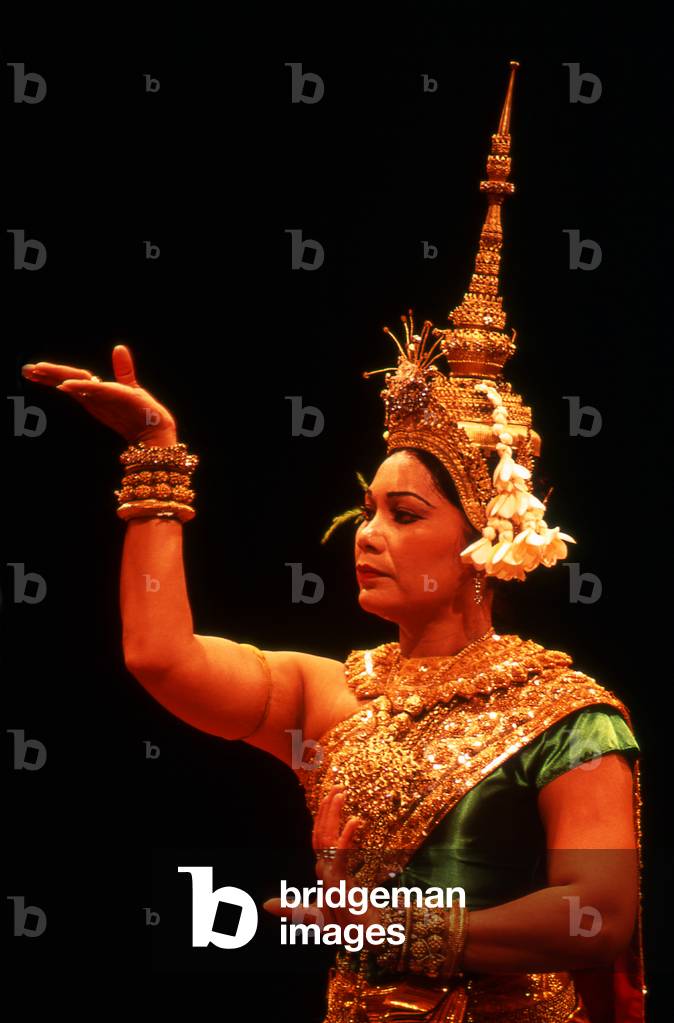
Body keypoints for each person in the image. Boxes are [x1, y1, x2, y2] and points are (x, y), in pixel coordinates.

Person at [21, 61, 646, 1022]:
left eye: (407, 514)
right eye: (368, 510)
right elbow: (160, 655)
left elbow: (599, 914)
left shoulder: (568, 716)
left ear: (486, 539)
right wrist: (157, 466)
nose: (370, 534)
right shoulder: (336, 696)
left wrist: (394, 925)